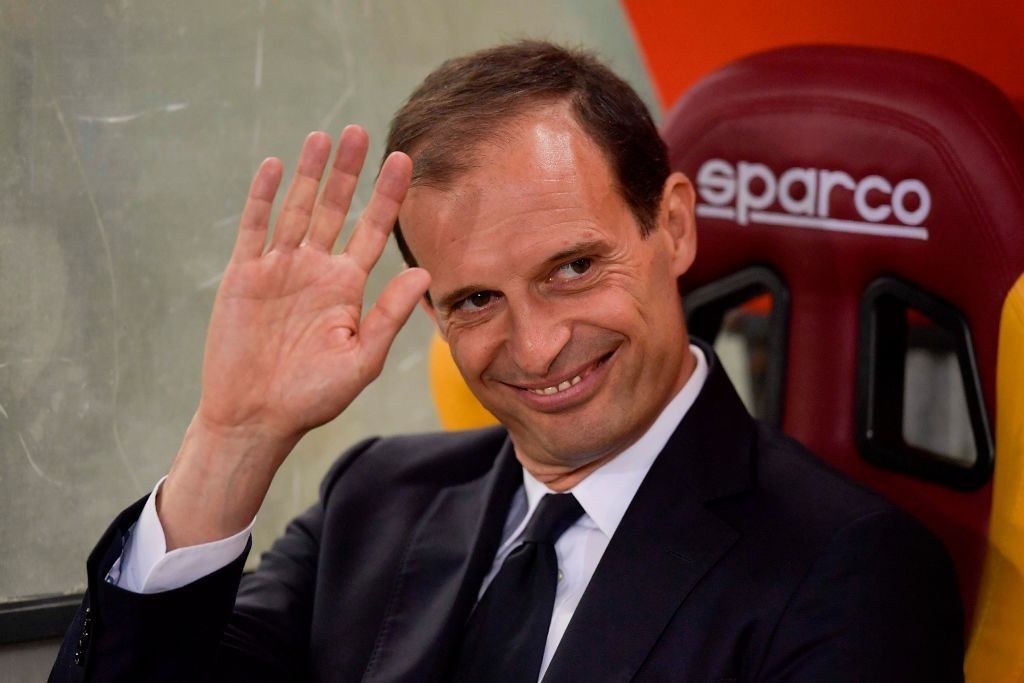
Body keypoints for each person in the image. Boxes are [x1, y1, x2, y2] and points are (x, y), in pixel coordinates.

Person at [51, 41, 963, 682]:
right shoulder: (377, 498)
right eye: (477, 300)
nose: (536, 346)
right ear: (435, 313)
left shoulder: (852, 570)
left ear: (674, 226)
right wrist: (233, 436)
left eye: (573, 268)